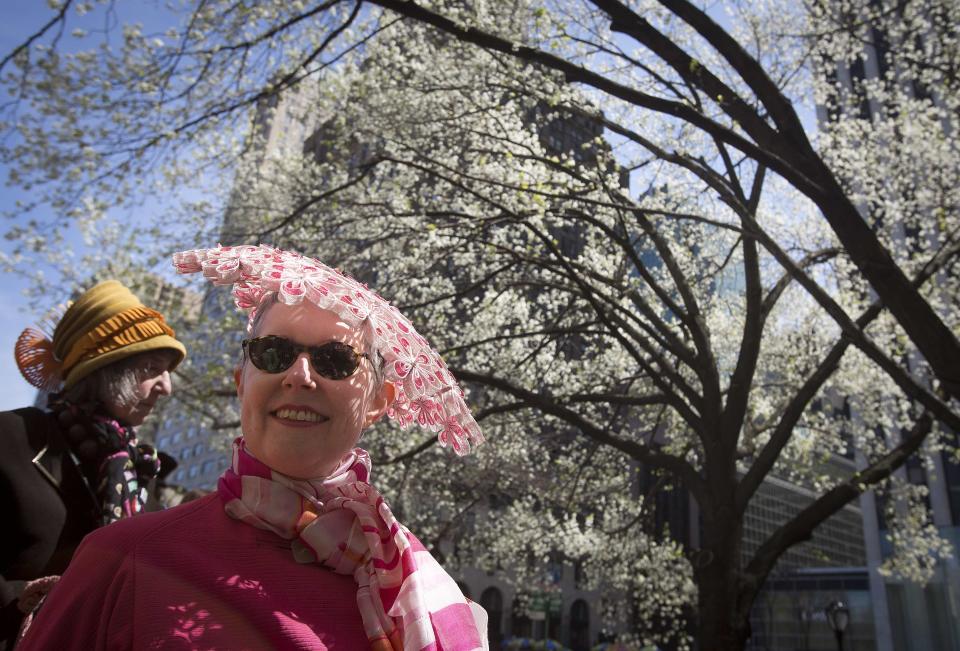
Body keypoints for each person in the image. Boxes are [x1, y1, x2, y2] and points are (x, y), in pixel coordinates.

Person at [18, 244, 488, 650]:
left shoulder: (422, 588)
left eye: (335, 360)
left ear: (378, 403)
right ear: (242, 381)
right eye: (274, 353)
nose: (299, 376)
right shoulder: (120, 560)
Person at [0, 280, 186, 649]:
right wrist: (24, 602)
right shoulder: (12, 437)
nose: (167, 387)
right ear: (102, 371)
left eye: (168, 371)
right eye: (151, 367)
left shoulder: (140, 469)